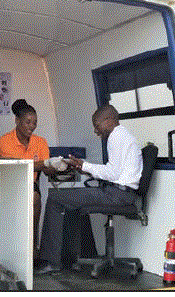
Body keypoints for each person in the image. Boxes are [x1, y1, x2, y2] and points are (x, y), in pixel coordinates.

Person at [35, 105, 143, 274]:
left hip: (117, 194)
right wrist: (84, 168)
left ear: (108, 120)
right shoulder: (123, 135)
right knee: (70, 200)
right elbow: (114, 171)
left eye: (97, 125)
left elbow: (113, 173)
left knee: (56, 198)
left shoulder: (116, 137)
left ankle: (51, 262)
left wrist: (85, 165)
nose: (95, 131)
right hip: (121, 193)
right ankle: (76, 257)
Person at [0, 99, 51, 250]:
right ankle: (20, 247)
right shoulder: (3, 142)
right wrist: (45, 163)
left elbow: (46, 170)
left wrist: (57, 166)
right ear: (17, 120)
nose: (32, 126)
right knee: (33, 196)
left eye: (35, 122)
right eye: (28, 122)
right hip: (10, 182)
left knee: (35, 197)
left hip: (30, 184)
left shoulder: (41, 142)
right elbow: (17, 168)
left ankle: (33, 246)